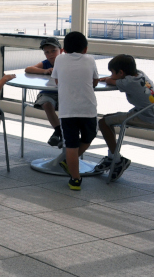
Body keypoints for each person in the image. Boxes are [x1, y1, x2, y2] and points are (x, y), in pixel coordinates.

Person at [51, 31, 99, 191]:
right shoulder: (90, 59)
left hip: (67, 110)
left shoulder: (59, 59)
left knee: (70, 144)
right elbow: (95, 82)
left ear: (63, 49)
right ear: (85, 49)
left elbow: (56, 80)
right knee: (89, 136)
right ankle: (71, 163)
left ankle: (75, 179)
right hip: (88, 108)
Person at [96, 55, 154, 181]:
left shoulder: (128, 82)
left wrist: (109, 79)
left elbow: (111, 81)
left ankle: (117, 160)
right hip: (147, 112)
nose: (111, 75)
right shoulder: (140, 75)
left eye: (112, 72)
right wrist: (112, 78)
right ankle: (113, 157)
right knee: (107, 119)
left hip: (146, 117)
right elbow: (114, 80)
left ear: (121, 72)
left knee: (103, 122)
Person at [25, 37, 64, 147]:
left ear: (61, 51)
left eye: (53, 51)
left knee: (70, 106)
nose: (51, 54)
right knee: (47, 104)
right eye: (47, 52)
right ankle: (60, 132)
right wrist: (45, 71)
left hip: (64, 93)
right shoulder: (46, 63)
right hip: (48, 93)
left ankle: (58, 133)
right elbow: (28, 69)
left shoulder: (65, 63)